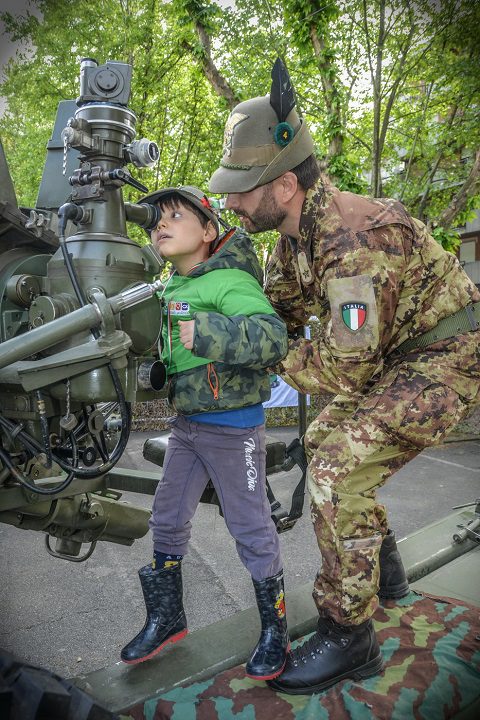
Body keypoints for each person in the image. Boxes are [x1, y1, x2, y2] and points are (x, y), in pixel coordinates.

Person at [209, 77, 480, 695]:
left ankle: (348, 634)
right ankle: (385, 575)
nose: (232, 205)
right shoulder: (290, 243)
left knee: (338, 464)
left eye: (241, 192)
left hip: (449, 356)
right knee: (325, 434)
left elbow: (345, 367)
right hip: (396, 357)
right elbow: (273, 316)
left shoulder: (353, 239)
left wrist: (264, 355)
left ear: (284, 185)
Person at [120, 185, 290, 681]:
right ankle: (168, 618)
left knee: (251, 528)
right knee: (167, 519)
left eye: (175, 216)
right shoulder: (168, 289)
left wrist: (211, 331)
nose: (161, 226)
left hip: (234, 431)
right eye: (155, 223)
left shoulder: (230, 280)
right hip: (186, 428)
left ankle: (274, 630)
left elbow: (273, 336)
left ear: (209, 230)